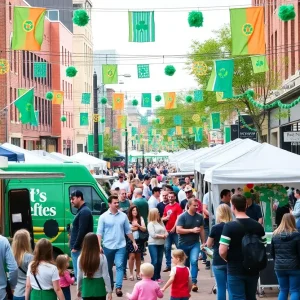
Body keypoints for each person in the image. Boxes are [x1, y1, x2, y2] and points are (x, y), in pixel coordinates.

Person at [219, 194, 266, 300]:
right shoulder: (257, 226)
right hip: (253, 269)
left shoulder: (229, 226)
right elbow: (263, 245)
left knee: (237, 297)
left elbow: (222, 251)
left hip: (235, 268)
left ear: (233, 206)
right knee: (251, 297)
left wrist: (228, 259)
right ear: (246, 206)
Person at [97, 195, 138, 297]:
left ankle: (118, 287)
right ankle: (110, 285)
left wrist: (133, 241)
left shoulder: (123, 216)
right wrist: (99, 245)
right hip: (108, 246)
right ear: (109, 204)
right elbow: (99, 233)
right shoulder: (103, 217)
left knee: (120, 266)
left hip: (121, 245)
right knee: (108, 267)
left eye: (117, 202)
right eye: (114, 203)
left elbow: (128, 231)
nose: (117, 204)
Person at [177, 198, 205, 292]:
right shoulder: (182, 216)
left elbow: (202, 229)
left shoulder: (200, 217)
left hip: (195, 243)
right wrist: (191, 230)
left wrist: (203, 242)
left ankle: (193, 282)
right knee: (185, 264)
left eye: (197, 205)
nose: (197, 207)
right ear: (189, 205)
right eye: (194, 205)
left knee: (194, 261)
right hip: (183, 243)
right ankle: (185, 281)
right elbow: (178, 230)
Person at [271, 213, 300, 300]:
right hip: (295, 267)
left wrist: (278, 262)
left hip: (279, 267)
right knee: (294, 290)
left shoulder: (275, 235)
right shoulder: (297, 236)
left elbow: (272, 253)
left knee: (283, 290)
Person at [206, 204, 232, 300]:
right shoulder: (233, 226)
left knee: (220, 288)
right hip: (231, 260)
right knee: (230, 288)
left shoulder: (215, 228)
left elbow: (208, 245)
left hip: (217, 259)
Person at [77, 233, 112, 300]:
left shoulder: (80, 258)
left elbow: (79, 275)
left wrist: (78, 288)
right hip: (100, 289)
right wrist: (109, 291)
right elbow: (106, 275)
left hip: (86, 289)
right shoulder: (102, 257)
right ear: (96, 243)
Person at [69, 190, 93, 280]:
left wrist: (76, 246)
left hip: (80, 248)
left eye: (73, 198)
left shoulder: (84, 212)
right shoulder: (82, 211)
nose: (71, 201)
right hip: (79, 247)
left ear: (79, 198)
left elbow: (82, 231)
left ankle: (82, 292)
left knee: (80, 274)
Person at [162, 191, 183, 272]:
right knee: (167, 247)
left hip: (175, 230)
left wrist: (174, 227)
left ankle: (180, 263)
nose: (170, 198)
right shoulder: (166, 207)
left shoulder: (177, 206)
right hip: (167, 229)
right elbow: (163, 216)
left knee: (179, 247)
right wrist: (164, 218)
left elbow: (178, 218)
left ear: (175, 197)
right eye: (169, 197)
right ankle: (168, 265)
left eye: (172, 197)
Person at [147, 208, 168, 283]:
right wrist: (162, 236)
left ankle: (158, 276)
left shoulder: (161, 222)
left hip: (161, 243)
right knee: (154, 261)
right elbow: (152, 234)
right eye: (158, 212)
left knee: (159, 261)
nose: (159, 213)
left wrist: (166, 234)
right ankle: (152, 278)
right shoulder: (151, 224)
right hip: (153, 244)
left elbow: (165, 230)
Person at [127, 206, 147, 281]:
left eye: (136, 210)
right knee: (131, 256)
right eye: (133, 210)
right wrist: (135, 228)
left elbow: (144, 228)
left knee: (138, 257)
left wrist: (138, 226)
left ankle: (138, 273)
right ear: (130, 211)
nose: (135, 212)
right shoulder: (127, 219)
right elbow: (127, 229)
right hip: (130, 241)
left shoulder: (140, 218)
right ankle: (131, 274)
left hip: (139, 240)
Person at [12, 229, 33, 300]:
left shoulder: (11, 257)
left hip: (16, 293)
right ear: (26, 242)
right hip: (27, 294)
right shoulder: (29, 257)